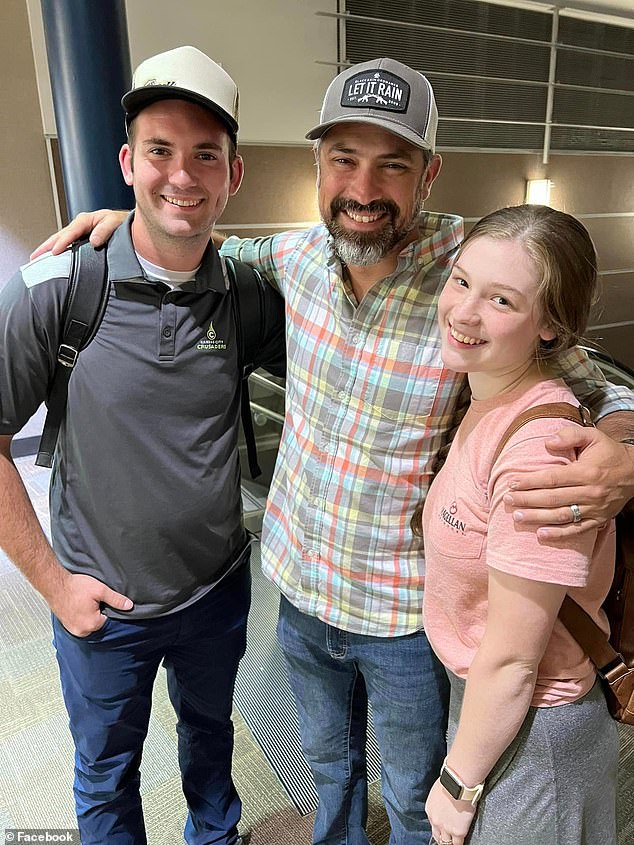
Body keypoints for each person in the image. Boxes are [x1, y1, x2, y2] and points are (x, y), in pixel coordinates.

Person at [34, 58, 634, 845]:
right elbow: (198, 242)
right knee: (330, 778)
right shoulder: (294, 258)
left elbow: (590, 374)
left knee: (417, 798)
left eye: (393, 163)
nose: (363, 185)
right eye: (344, 158)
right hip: (301, 593)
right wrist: (124, 217)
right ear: (317, 166)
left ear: (429, 174)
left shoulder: (468, 271)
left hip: (404, 611)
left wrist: (624, 441)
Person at [0, 46, 285, 845]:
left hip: (218, 590)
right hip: (103, 606)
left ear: (234, 175)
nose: (182, 177)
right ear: (128, 162)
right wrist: (55, 585)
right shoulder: (58, 286)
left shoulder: (247, 294)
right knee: (106, 776)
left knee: (210, 743)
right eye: (160, 151)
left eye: (205, 156)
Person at [418, 204, 619, 845]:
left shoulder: (540, 447)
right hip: (496, 713)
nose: (464, 312)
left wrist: (456, 784)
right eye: (461, 281)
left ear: (551, 330)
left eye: (501, 300)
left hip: (539, 734)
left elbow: (513, 661)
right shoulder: (489, 400)